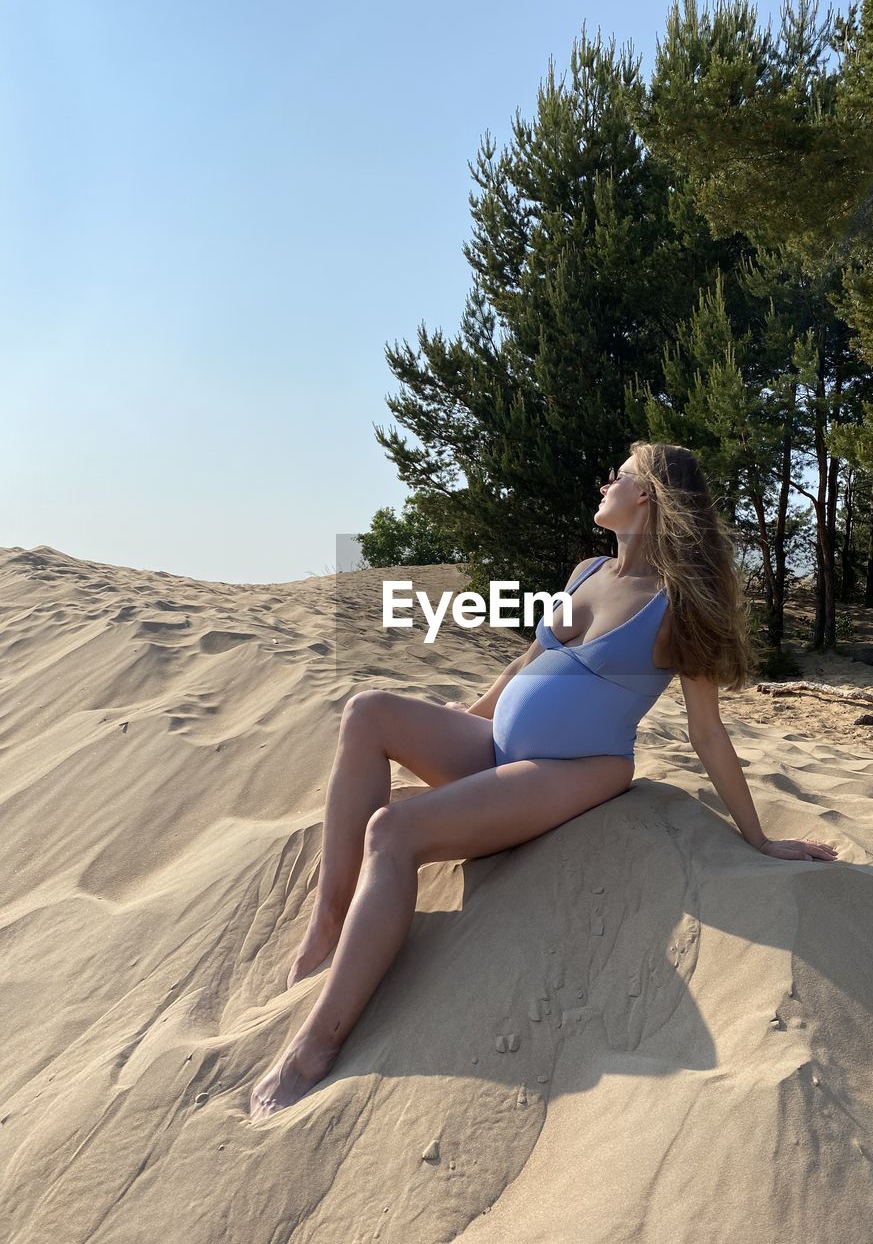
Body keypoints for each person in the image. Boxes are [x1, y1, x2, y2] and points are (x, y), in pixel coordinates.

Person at [249, 442, 839, 1120]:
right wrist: (454, 725)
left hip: (573, 770)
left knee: (395, 829)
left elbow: (707, 732)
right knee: (368, 712)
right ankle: (328, 922)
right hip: (499, 745)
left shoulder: (678, 605)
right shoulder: (587, 571)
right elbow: (523, 665)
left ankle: (317, 1044)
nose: (604, 483)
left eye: (617, 475)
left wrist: (759, 839)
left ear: (645, 497)